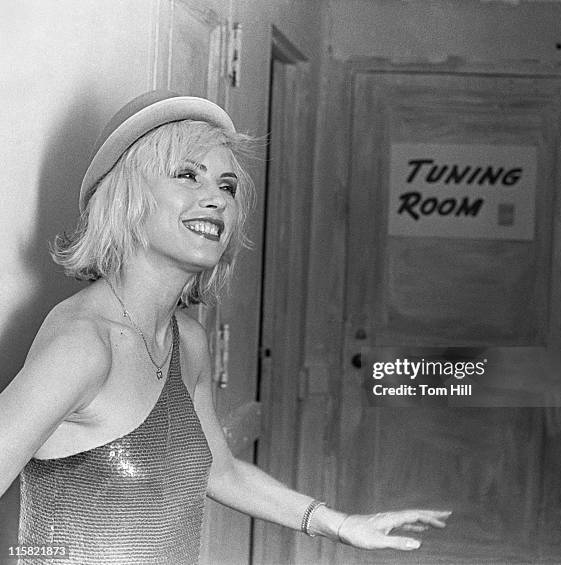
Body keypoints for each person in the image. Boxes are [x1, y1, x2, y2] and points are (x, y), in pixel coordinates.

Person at [0, 91, 451, 564]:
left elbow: (220, 471)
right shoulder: (84, 340)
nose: (216, 199)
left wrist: (339, 524)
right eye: (188, 176)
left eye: (228, 186)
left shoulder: (186, 341)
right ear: (127, 196)